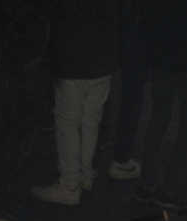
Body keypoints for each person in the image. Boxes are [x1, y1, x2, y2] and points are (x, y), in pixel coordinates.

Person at [0, 0, 58, 221]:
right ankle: (2, 206)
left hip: (3, 77)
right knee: (18, 142)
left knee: (8, 134)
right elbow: (33, 44)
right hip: (25, 83)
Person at [31, 0, 119, 205]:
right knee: (90, 119)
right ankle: (85, 173)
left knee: (68, 122)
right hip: (102, 58)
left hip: (72, 57)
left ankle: (69, 184)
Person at [133, 0, 187, 209]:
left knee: (159, 117)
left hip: (161, 56)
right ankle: (169, 189)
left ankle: (147, 183)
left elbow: (145, 13)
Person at [107, 0, 147, 180]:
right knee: (132, 97)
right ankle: (121, 159)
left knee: (100, 91)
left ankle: (92, 153)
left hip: (115, 31)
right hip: (134, 36)